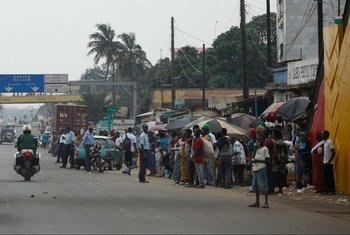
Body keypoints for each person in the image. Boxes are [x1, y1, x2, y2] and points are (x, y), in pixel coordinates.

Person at [249, 136, 270, 208]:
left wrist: (258, 161)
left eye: (259, 140)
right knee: (255, 186)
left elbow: (267, 161)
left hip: (261, 169)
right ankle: (257, 202)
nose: (258, 142)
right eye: (257, 140)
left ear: (263, 141)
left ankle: (266, 203)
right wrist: (255, 149)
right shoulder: (257, 149)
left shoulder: (265, 149)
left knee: (263, 186)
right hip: (255, 169)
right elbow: (252, 156)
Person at [271, 129, 288, 195]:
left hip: (280, 161)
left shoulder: (280, 142)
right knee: (276, 175)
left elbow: (283, 153)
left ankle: (280, 190)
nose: (272, 135)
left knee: (280, 175)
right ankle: (278, 190)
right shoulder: (275, 142)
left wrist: (282, 161)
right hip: (276, 161)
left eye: (273, 133)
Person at [322, 130, 336, 195]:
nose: (321, 135)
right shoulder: (325, 142)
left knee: (330, 177)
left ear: (325, 135)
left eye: (322, 134)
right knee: (326, 177)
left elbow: (333, 152)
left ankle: (332, 191)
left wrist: (329, 161)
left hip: (329, 163)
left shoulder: (330, 142)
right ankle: (327, 190)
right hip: (325, 162)